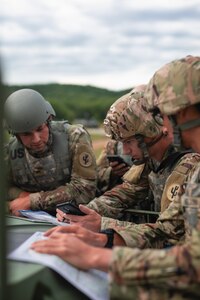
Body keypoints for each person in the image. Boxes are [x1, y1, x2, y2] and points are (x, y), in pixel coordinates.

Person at [32, 55, 200, 299]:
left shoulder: (190, 167)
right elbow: (162, 229)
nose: (162, 124)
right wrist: (101, 233)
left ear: (181, 112)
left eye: (162, 114)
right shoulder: (161, 167)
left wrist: (98, 253)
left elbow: (182, 250)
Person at [56, 86, 200, 239]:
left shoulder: (190, 165)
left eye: (129, 142)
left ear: (149, 132)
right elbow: (125, 193)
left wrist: (102, 224)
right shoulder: (150, 160)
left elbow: (170, 233)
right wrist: (85, 211)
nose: (125, 151)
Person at [4, 88, 97, 216]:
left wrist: (31, 200)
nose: (36, 139)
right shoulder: (9, 151)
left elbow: (85, 190)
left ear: (49, 119)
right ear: (16, 135)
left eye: (40, 129)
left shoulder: (74, 136)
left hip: (71, 218)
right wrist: (21, 195)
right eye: (26, 134)